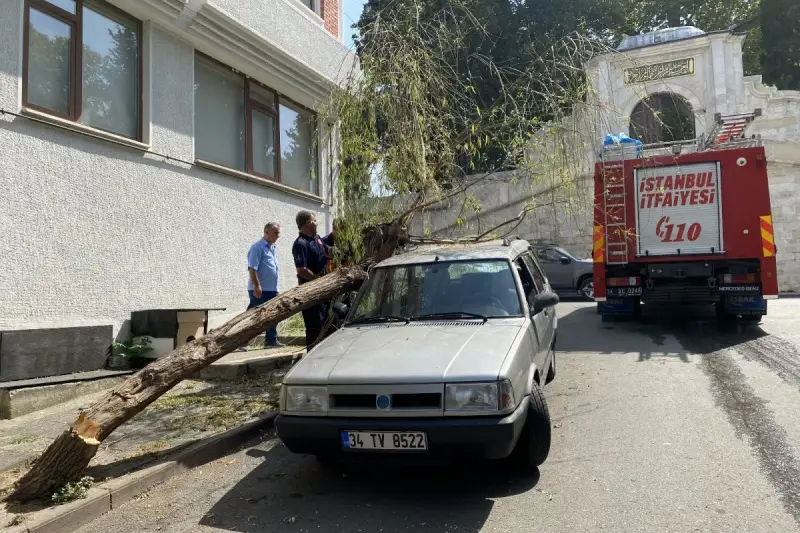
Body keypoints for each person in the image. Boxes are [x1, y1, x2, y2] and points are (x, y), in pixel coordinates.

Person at [292, 211, 329, 351]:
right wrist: (318, 280)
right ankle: (312, 357)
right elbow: (301, 270)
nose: (317, 223)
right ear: (308, 223)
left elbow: (328, 252)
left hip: (324, 290)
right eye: (314, 220)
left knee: (326, 323)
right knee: (314, 327)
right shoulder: (300, 244)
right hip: (310, 291)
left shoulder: (317, 238)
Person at [245, 222, 284, 348]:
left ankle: (271, 340)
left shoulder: (272, 248)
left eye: (278, 233)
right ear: (266, 232)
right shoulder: (258, 247)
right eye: (276, 233)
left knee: (273, 315)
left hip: (271, 289)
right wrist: (257, 286)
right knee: (254, 317)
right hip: (260, 290)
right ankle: (241, 342)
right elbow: (252, 268)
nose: (278, 236)